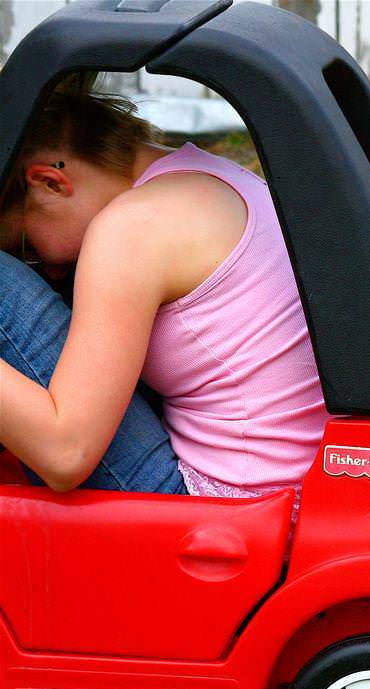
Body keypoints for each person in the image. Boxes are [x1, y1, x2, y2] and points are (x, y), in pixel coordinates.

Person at [0, 75, 327, 497]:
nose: (47, 269)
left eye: (25, 248)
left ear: (50, 182)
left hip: (223, 506)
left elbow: (65, 453)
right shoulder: (213, 176)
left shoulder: (132, 228)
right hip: (295, 489)